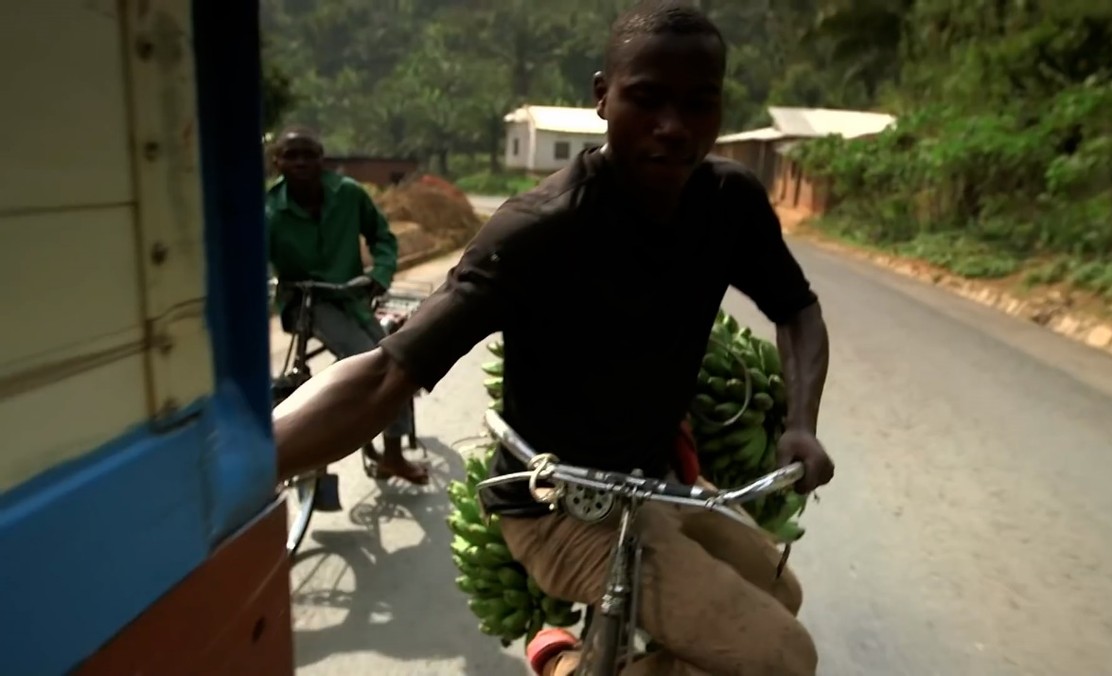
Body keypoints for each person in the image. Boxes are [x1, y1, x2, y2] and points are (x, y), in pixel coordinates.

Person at [273, 1, 834, 673]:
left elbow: (797, 310)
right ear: (603, 95)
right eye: (647, 99)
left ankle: (583, 657)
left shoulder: (730, 201)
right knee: (782, 658)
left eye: (698, 104)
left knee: (783, 593)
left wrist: (802, 422)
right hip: (557, 507)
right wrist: (248, 465)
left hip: (656, 482)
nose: (672, 127)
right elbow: (386, 373)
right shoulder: (540, 228)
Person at [267, 126, 429, 486]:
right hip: (303, 301)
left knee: (396, 360)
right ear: (276, 162)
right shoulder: (269, 211)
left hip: (352, 296)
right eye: (291, 156)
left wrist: (379, 275)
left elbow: (383, 238)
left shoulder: (349, 194)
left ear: (322, 159)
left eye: (309, 154)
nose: (301, 162)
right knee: (372, 362)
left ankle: (393, 453)